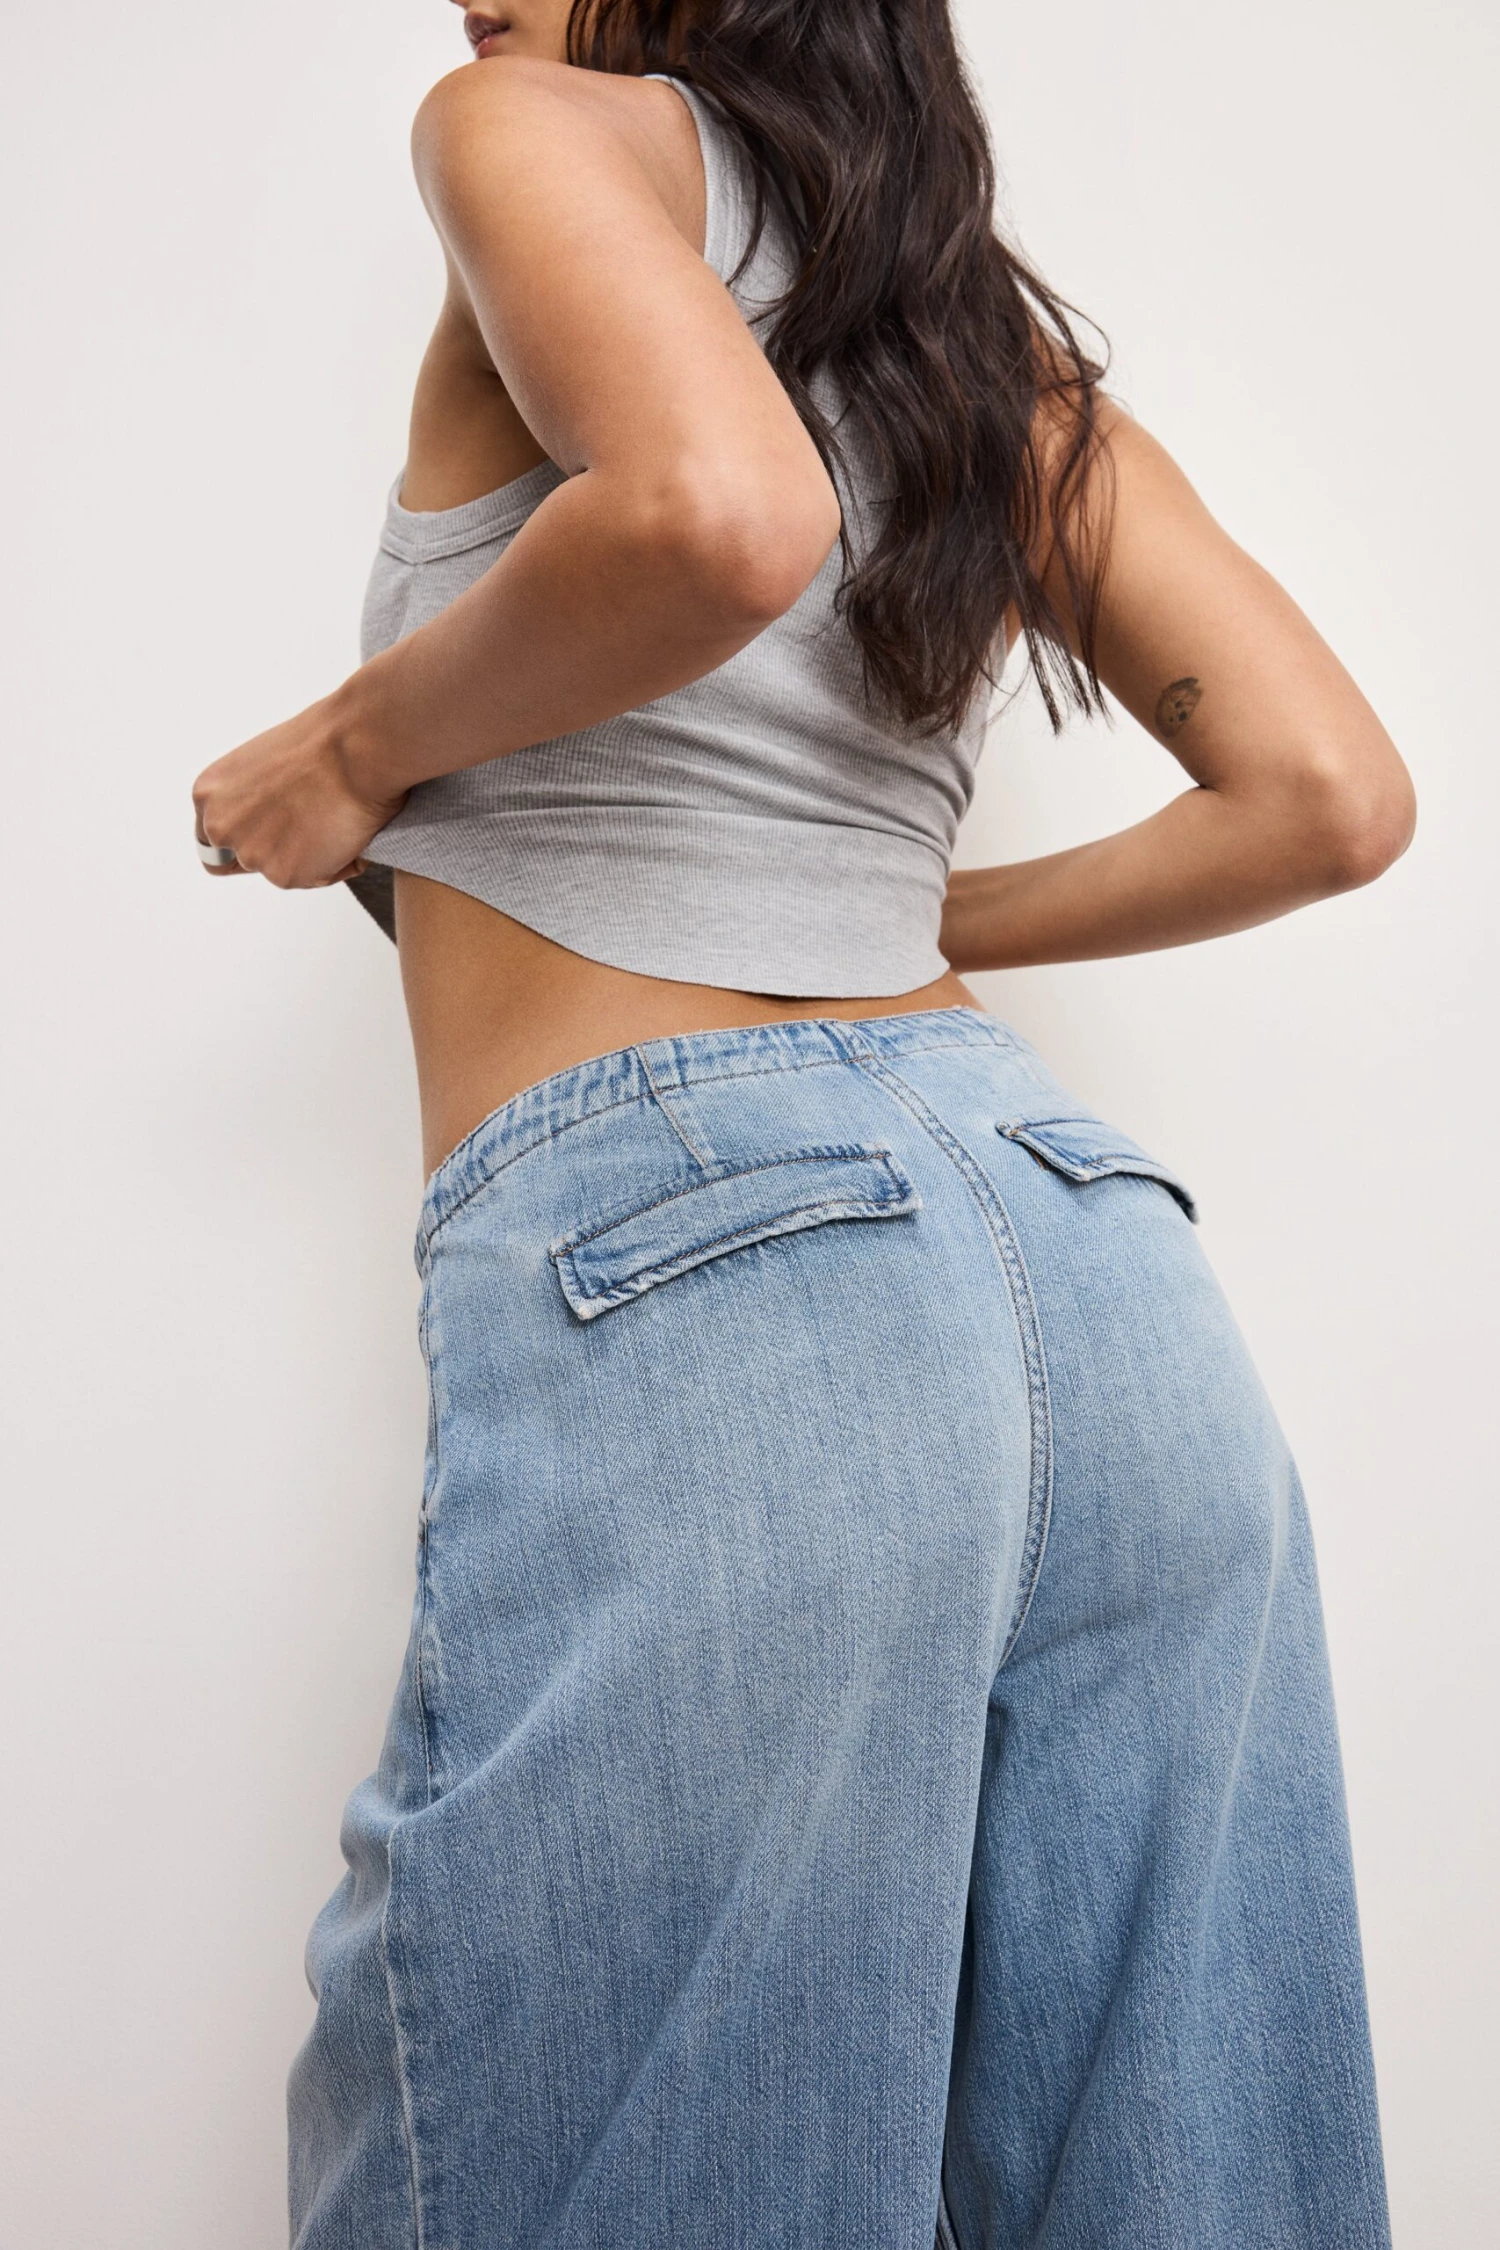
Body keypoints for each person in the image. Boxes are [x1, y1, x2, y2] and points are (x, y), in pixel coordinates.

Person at [192, 4, 1414, 2244]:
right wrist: (925, 920)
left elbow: (719, 511)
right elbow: (1328, 796)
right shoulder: (977, 352)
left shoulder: (538, 133)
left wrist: (350, 749)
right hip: (1089, 1256)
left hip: (728, 1271)